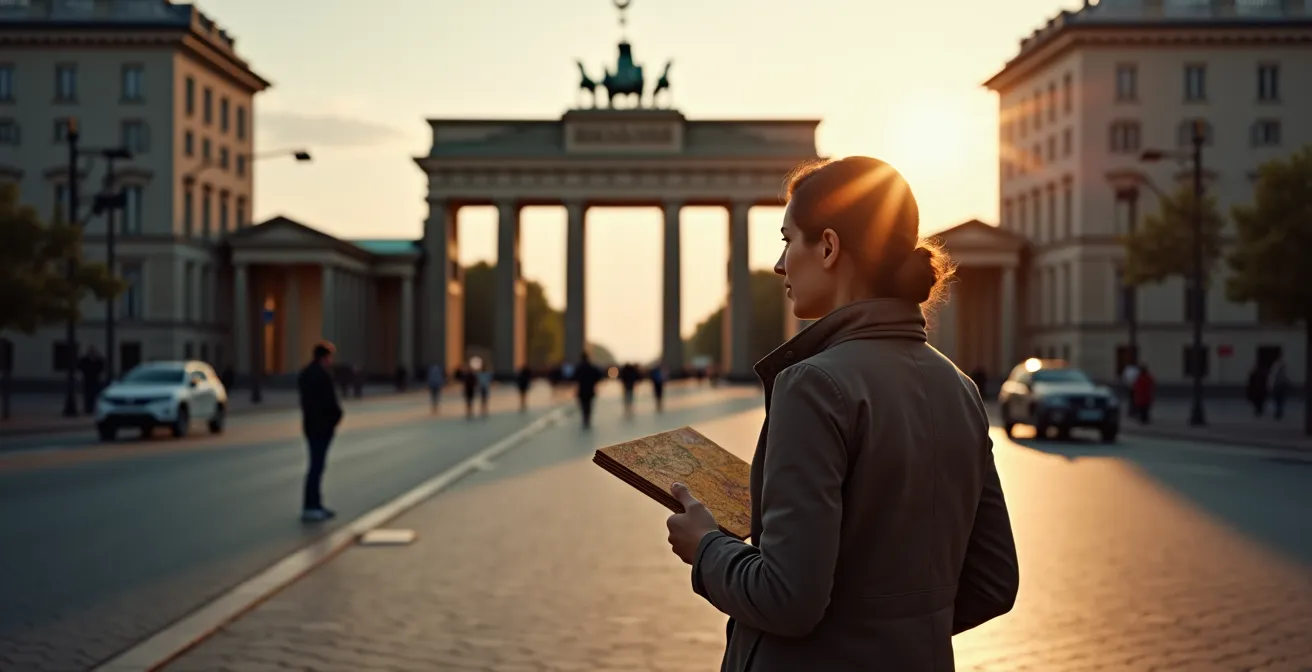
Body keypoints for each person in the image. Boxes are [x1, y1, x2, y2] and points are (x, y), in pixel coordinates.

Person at [663, 156, 1018, 670]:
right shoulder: (960, 387)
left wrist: (707, 548)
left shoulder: (812, 385)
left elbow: (787, 598)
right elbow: (992, 583)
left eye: (788, 240)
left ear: (828, 247)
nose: (780, 265)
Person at [297, 341, 343, 522]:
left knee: (314, 467)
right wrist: (335, 419)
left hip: (310, 425)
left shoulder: (305, 374)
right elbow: (329, 403)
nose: (331, 361)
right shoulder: (322, 376)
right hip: (321, 427)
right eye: (330, 357)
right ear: (325, 357)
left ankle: (314, 504)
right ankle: (312, 506)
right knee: (317, 467)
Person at [574, 352, 602, 429]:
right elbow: (598, 376)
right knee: (589, 405)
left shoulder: (579, 367)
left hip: (582, 390)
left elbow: (574, 377)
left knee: (583, 405)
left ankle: (584, 418)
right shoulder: (592, 367)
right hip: (590, 389)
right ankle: (588, 418)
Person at [78, 346, 105, 414]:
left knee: (94, 395)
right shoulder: (85, 360)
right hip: (87, 379)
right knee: (87, 395)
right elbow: (80, 366)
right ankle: (88, 409)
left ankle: (92, 408)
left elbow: (102, 367)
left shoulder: (98, 360)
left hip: (95, 380)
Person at [1268, 353, 1290, 420]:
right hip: (1280, 385)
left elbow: (1273, 376)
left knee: (1278, 401)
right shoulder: (1281, 366)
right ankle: (1279, 413)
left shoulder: (1276, 366)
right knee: (1279, 401)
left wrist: (1270, 385)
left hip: (1278, 386)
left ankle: (1278, 413)